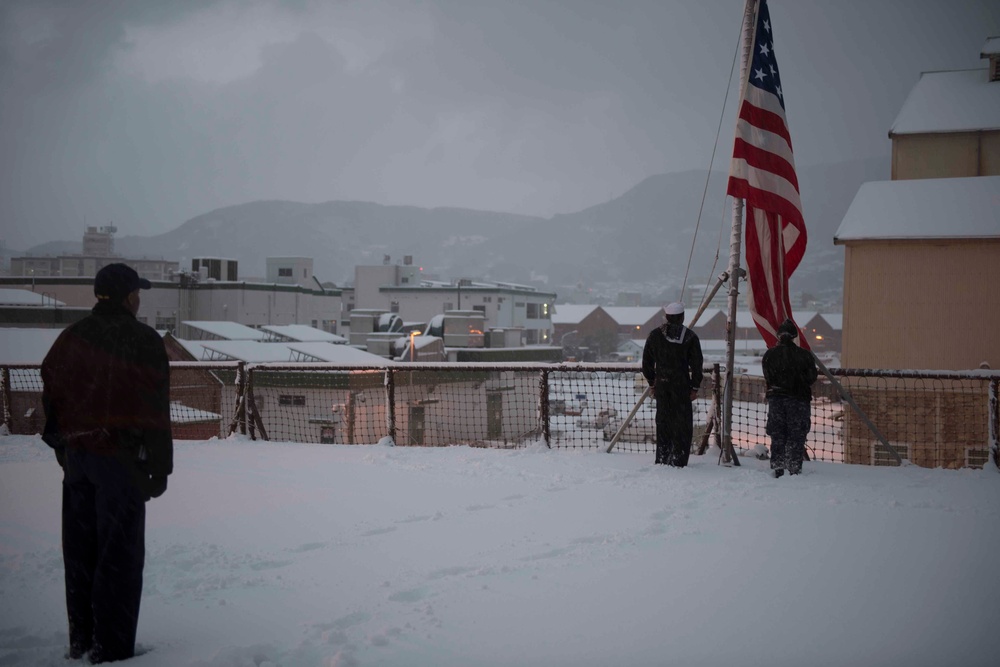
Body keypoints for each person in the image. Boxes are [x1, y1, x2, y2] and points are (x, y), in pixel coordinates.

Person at [41, 263, 173, 663]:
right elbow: (155, 409)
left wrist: (64, 451)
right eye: (138, 293)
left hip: (79, 462)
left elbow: (51, 398)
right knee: (119, 556)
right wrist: (160, 468)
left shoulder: (70, 338)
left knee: (80, 553)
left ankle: (81, 640)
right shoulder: (143, 340)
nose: (140, 300)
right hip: (122, 463)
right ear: (128, 296)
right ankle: (111, 650)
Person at [642, 302, 703, 467]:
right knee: (682, 425)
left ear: (666, 316)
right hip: (682, 388)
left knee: (663, 423)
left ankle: (662, 457)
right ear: (682, 317)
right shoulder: (690, 337)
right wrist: (694, 387)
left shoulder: (655, 335)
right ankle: (679, 459)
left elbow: (646, 363)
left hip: (662, 386)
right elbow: (697, 365)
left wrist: (652, 382)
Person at [762, 318, 818, 478]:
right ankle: (794, 467)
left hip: (777, 400)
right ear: (794, 336)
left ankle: (778, 466)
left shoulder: (769, 355)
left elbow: (768, 376)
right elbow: (811, 377)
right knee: (796, 434)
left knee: (778, 434)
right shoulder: (804, 356)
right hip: (798, 400)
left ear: (779, 336)